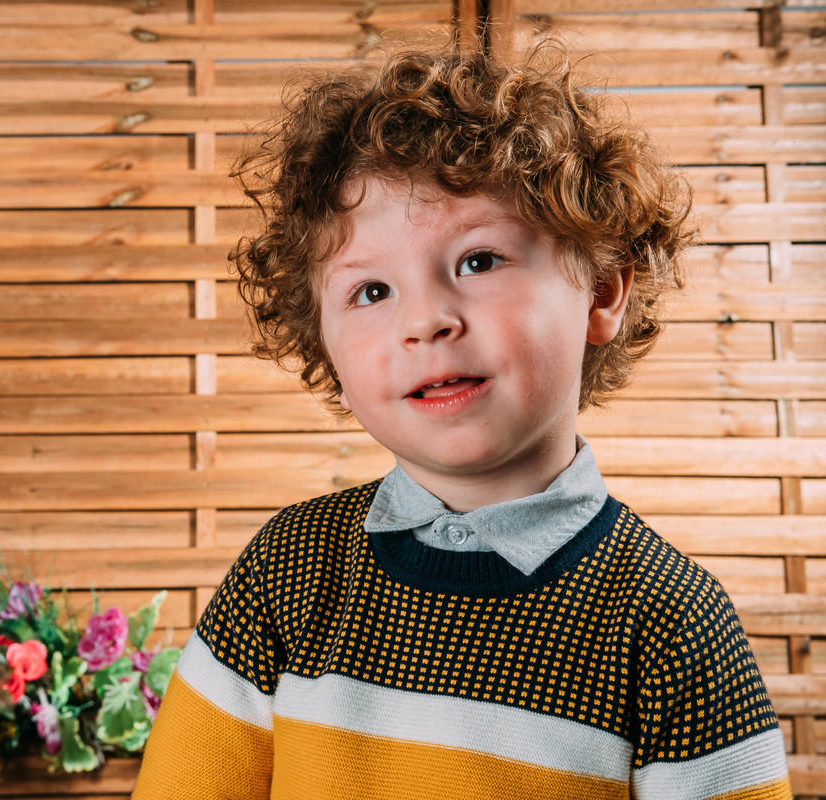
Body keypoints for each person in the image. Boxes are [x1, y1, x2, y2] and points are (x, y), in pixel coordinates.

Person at [133, 43, 791, 800]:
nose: (426, 320)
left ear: (603, 289)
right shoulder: (288, 572)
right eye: (371, 291)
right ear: (323, 342)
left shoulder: (672, 627)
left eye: (479, 261)